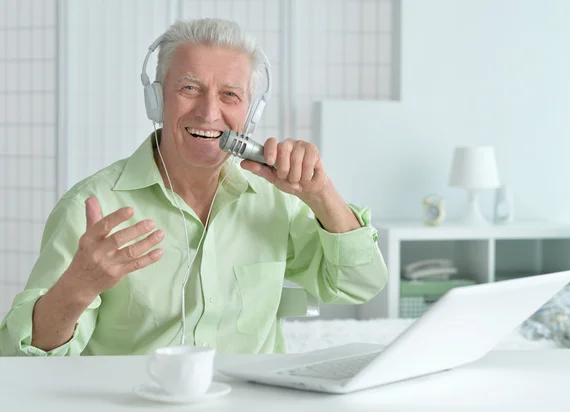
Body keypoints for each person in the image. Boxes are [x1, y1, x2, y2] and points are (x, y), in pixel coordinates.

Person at [0, 18, 387, 356]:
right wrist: (77, 289)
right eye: (189, 89)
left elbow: (361, 285)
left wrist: (321, 195)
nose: (208, 112)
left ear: (251, 113)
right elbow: (25, 360)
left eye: (230, 95)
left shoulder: (276, 198)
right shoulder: (91, 206)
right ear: (156, 100)